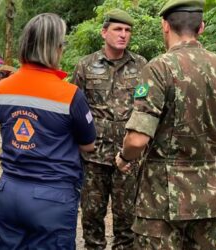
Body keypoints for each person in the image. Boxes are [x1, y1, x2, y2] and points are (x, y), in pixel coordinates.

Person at [115, 0, 216, 248]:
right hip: (212, 197)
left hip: (162, 201)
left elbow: (137, 139)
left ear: (164, 25)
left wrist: (124, 158)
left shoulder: (159, 68)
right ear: (201, 27)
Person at [0, 13, 96, 249]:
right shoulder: (70, 95)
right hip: (51, 197)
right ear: (55, 48)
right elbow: (88, 144)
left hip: (9, 191)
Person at [71, 9, 147, 249]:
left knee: (126, 218)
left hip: (128, 156)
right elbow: (75, 109)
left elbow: (147, 109)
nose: (123, 35)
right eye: (117, 29)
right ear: (104, 32)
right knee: (92, 217)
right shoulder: (85, 66)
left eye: (127, 31)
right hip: (94, 156)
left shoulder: (141, 65)